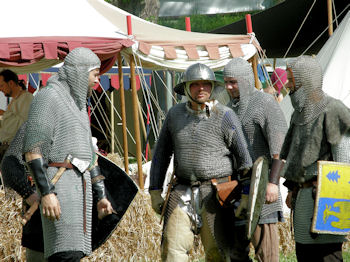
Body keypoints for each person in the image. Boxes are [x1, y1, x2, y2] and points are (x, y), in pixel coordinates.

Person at [149, 63, 253, 262]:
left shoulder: (225, 116)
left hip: (217, 193)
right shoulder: (174, 114)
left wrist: (247, 196)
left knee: (218, 254)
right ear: (187, 88)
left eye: (205, 84)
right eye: (195, 84)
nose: (201, 89)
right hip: (181, 190)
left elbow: (244, 160)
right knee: (173, 252)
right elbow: (161, 155)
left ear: (212, 87)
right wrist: (154, 191)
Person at [23, 47, 113, 261]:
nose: (98, 80)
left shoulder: (79, 104)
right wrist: (46, 193)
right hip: (60, 189)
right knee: (65, 253)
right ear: (80, 72)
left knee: (74, 252)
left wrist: (100, 195)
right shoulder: (49, 97)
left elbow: (88, 155)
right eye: (95, 74)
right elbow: (33, 152)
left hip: (80, 191)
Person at [281, 55, 350, 262]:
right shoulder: (298, 114)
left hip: (326, 204)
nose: (287, 84)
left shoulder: (333, 110)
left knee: (328, 257)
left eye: (291, 80)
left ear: (305, 81)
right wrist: (292, 188)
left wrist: (339, 208)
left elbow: (344, 162)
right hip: (303, 200)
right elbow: (295, 157)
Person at [223, 58, 288, 262]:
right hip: (237, 189)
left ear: (245, 80)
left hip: (261, 185)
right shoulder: (229, 108)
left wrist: (272, 183)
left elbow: (279, 147)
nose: (229, 87)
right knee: (236, 253)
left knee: (265, 254)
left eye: (233, 81)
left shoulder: (265, 103)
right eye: (226, 82)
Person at [1, 122, 45, 261]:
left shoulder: (74, 129)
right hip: (38, 217)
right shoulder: (33, 126)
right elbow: (9, 165)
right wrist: (28, 193)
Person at [0, 69, 33, 158]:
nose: (0, 89)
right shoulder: (15, 100)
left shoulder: (26, 98)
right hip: (7, 148)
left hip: (16, 150)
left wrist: (6, 115)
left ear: (11, 83)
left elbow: (24, 124)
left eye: (2, 85)